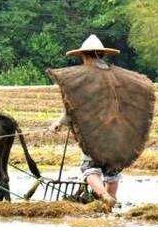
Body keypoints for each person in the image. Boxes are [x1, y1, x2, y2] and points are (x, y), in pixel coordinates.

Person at [48, 34, 121, 209]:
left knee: (88, 168)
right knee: (112, 172)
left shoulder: (83, 78)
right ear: (101, 54)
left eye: (83, 57)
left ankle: (103, 196)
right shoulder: (115, 76)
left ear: (85, 55)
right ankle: (110, 204)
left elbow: (73, 106)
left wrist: (59, 122)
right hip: (117, 132)